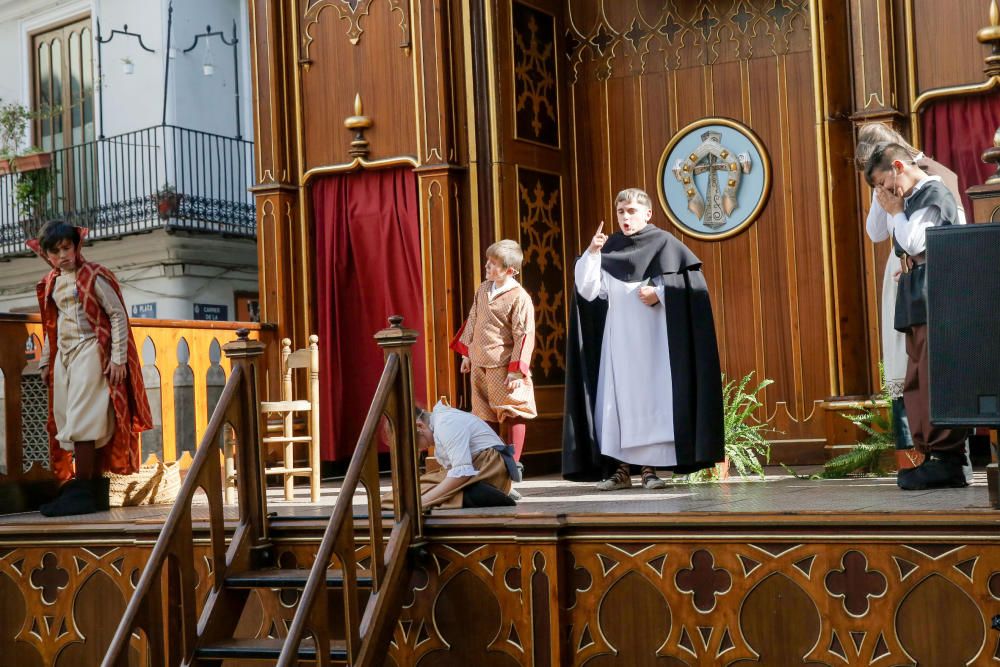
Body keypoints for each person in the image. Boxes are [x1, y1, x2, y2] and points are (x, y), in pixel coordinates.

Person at [563, 187, 724, 490]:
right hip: (618, 342)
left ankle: (650, 470)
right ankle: (621, 471)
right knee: (618, 404)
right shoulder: (608, 249)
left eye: (632, 211)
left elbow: (691, 292)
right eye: (621, 212)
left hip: (656, 344)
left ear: (648, 213)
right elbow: (587, 291)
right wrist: (593, 253)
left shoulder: (664, 244)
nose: (625, 217)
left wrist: (660, 293)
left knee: (653, 400)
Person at [854, 124, 968, 470]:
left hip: (935, 286)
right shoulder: (895, 188)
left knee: (933, 370)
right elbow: (876, 232)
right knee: (912, 369)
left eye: (883, 181)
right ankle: (924, 452)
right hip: (912, 283)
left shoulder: (930, 182)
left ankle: (947, 454)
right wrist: (885, 199)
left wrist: (894, 208)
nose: (885, 191)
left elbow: (921, 240)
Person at [28, 221, 152, 516]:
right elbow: (52, 325)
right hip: (65, 355)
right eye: (55, 251)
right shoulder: (51, 282)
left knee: (84, 419)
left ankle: (83, 490)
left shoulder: (93, 276)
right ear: (47, 255)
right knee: (66, 418)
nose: (63, 255)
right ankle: (91, 492)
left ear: (76, 246)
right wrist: (46, 360)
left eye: (67, 248)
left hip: (90, 351)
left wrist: (119, 358)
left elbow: (118, 316)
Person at [450, 239, 536, 461]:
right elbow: (473, 319)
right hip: (479, 363)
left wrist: (517, 370)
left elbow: (524, 335)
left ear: (511, 270)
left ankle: (512, 466)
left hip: (503, 366)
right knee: (483, 414)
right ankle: (490, 464)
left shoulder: (519, 297)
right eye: (488, 261)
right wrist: (467, 354)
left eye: (493, 263)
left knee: (511, 411)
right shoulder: (483, 289)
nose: (487, 266)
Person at [415, 400, 519, 510]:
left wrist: (422, 502)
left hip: (490, 467)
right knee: (415, 489)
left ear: (420, 426)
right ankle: (476, 493)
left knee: (417, 493)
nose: (420, 449)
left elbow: (462, 474)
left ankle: (483, 494)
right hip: (480, 468)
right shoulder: (440, 422)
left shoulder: (445, 423)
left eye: (416, 443)